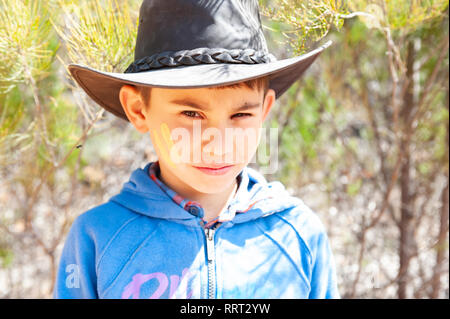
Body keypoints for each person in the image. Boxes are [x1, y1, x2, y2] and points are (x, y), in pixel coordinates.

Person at [54, 0, 339, 299]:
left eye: (241, 115)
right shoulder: (98, 238)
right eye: (191, 114)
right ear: (139, 109)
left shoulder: (298, 234)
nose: (218, 145)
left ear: (265, 109)